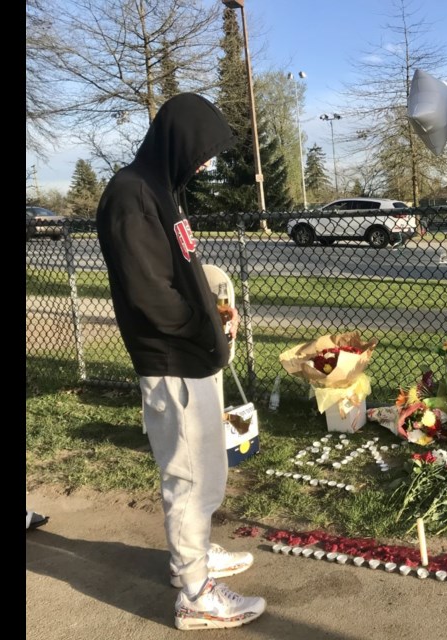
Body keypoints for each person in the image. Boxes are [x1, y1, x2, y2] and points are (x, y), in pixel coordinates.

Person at [96, 93, 266, 631]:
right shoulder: (131, 195)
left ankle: (189, 558)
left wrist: (215, 308)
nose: (204, 163)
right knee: (189, 478)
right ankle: (195, 594)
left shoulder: (162, 191)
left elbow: (182, 272)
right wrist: (202, 327)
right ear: (176, 140)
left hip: (193, 358)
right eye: (200, 152)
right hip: (172, 362)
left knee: (207, 472)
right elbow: (150, 294)